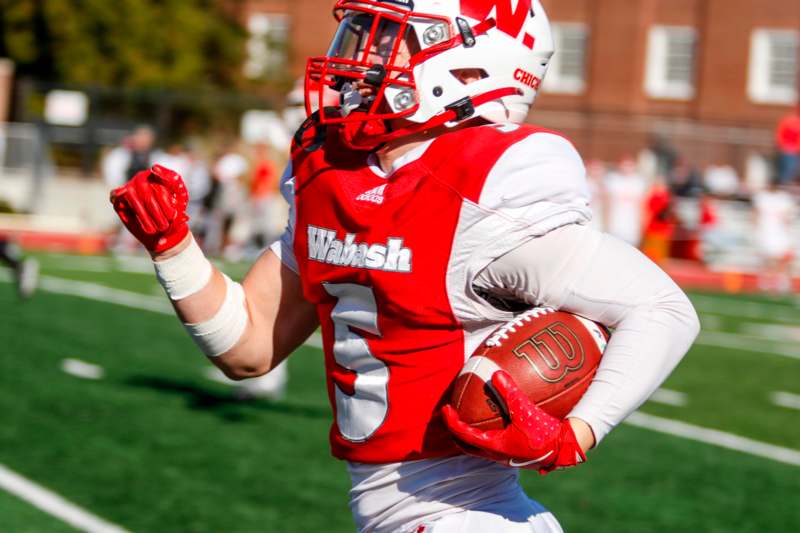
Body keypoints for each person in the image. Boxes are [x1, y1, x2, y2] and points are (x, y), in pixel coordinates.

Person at [110, 2, 700, 531]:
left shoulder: (484, 186)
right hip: (391, 511)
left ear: (471, 68)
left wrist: (575, 433)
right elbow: (248, 345)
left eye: (388, 37)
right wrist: (173, 248)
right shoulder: (332, 172)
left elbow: (662, 308)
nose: (359, 56)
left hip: (468, 513)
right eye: (360, 31)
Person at [753, 179, 797, 293]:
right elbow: (755, 214)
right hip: (766, 233)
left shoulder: (784, 198)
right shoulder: (762, 197)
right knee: (767, 260)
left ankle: (781, 283)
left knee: (783, 259)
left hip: (780, 233)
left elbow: (788, 217)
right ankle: (765, 283)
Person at [604, 156, 648, 247]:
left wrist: (642, 224)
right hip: (615, 223)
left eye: (629, 165)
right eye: (624, 165)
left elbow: (642, 205)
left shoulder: (638, 182)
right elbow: (607, 204)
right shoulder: (612, 179)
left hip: (631, 225)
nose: (627, 168)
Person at [775, 108, 800, 185]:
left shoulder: (789, 121)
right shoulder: (789, 121)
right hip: (788, 150)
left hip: (792, 150)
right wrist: (784, 146)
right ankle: (785, 185)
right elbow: (780, 134)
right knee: (787, 170)